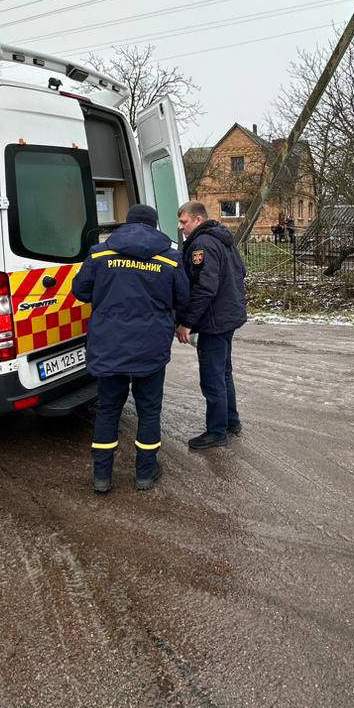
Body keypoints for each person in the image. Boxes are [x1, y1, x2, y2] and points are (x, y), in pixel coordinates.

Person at [71, 204, 189, 494]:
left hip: (109, 346)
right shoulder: (170, 258)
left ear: (127, 223)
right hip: (151, 348)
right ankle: (145, 473)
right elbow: (183, 299)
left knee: (108, 409)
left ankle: (102, 476)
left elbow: (80, 291)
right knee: (149, 411)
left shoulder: (100, 254)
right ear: (154, 226)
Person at [175, 201, 248, 450]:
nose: (180, 226)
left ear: (198, 219)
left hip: (214, 321)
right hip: (228, 317)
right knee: (224, 372)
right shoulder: (222, 238)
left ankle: (217, 431)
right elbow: (241, 271)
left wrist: (187, 323)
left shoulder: (202, 244)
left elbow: (205, 287)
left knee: (212, 377)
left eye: (184, 222)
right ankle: (231, 421)